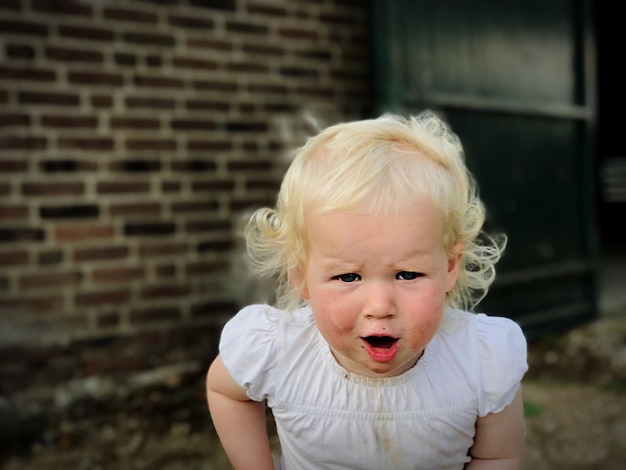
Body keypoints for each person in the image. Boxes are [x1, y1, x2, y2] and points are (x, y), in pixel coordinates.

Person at [206, 110, 528, 469]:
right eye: (348, 277)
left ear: (449, 267)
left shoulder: (481, 361)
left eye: (407, 274)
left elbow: (498, 455)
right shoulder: (278, 351)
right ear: (301, 275)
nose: (379, 306)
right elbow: (226, 391)